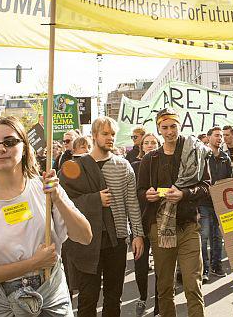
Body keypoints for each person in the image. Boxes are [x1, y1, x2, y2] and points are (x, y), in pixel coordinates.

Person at [0, 116, 92, 316]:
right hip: (0, 305)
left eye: (9, 142)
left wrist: (58, 199)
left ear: (24, 146)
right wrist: (32, 264)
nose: (1, 149)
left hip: (50, 299)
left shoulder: (46, 188)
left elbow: (85, 236)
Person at [59, 116, 144, 317]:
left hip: (117, 240)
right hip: (88, 241)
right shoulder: (76, 167)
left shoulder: (123, 166)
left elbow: (132, 202)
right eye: (105, 134)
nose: (110, 138)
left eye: (113, 134)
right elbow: (63, 201)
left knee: (114, 297)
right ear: (94, 135)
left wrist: (138, 234)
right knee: (88, 298)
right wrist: (95, 199)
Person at [137, 107, 210, 317]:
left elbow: (206, 186)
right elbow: (140, 191)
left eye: (173, 126)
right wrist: (147, 195)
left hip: (188, 226)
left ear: (180, 126)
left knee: (192, 284)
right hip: (159, 230)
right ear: (158, 129)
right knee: (165, 287)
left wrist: (184, 194)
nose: (169, 131)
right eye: (165, 127)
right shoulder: (150, 159)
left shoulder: (194, 153)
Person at [131, 133, 160, 317]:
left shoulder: (164, 165)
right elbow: (131, 197)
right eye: (146, 143)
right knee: (140, 265)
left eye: (153, 142)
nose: (150, 145)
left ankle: (159, 304)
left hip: (159, 222)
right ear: (141, 146)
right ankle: (142, 296)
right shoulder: (133, 166)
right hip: (139, 222)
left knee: (161, 267)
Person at [198, 126, 231, 282]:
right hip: (204, 203)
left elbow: (230, 180)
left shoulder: (226, 158)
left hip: (220, 203)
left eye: (221, 136)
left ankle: (216, 266)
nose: (220, 138)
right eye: (217, 135)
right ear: (209, 137)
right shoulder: (203, 156)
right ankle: (203, 269)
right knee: (203, 237)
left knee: (217, 237)